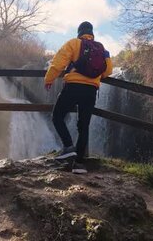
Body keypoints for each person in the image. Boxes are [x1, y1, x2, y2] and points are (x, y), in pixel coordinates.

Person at [44, 21, 113, 174]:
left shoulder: (74, 43)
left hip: (73, 87)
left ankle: (68, 147)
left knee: (57, 116)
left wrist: (49, 79)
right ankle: (79, 164)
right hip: (91, 91)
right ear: (92, 33)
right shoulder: (101, 48)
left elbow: (58, 63)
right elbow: (108, 71)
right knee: (83, 126)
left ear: (79, 32)